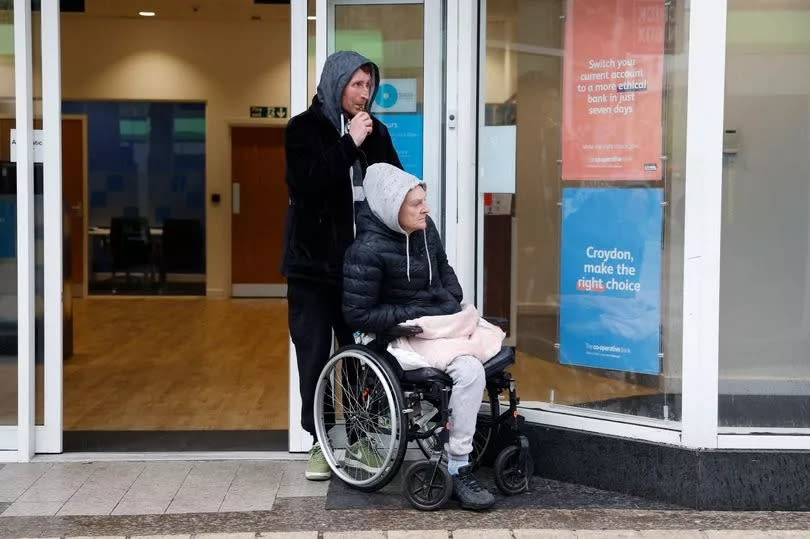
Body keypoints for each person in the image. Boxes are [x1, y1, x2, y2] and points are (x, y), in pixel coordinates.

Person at [342, 163, 498, 511]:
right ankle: (459, 467)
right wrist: (414, 315)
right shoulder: (365, 251)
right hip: (403, 336)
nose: (425, 209)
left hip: (437, 324)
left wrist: (447, 301)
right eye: (416, 204)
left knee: (492, 347)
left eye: (424, 201)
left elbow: (446, 272)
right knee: (471, 370)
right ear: (392, 208)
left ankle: (461, 437)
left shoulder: (427, 232)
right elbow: (358, 315)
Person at [281, 51, 402, 481]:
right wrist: (348, 143)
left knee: (361, 357)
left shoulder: (378, 132)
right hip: (312, 270)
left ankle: (364, 438)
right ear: (336, 84)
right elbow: (307, 185)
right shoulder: (302, 130)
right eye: (357, 85)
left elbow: (393, 191)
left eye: (369, 86)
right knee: (314, 358)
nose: (365, 93)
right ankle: (321, 442)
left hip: (362, 272)